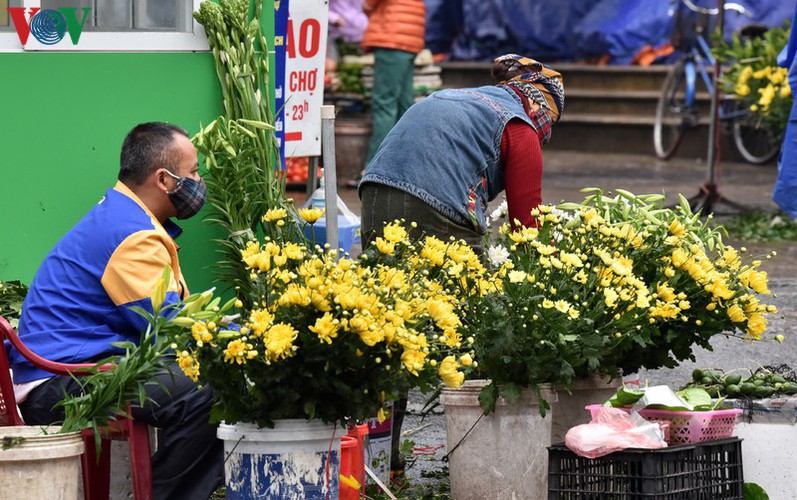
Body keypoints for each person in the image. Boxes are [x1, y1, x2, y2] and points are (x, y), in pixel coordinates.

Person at [358, 53, 564, 479]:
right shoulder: (520, 128)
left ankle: (379, 460)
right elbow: (529, 229)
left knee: (388, 325)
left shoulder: (459, 98)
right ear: (541, 109)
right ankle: (481, 456)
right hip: (435, 206)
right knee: (478, 325)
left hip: (375, 192)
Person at [8, 122, 223, 499]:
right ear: (164, 179)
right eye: (192, 172)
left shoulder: (123, 215)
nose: (197, 180)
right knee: (213, 385)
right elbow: (170, 333)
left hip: (70, 374)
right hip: (61, 386)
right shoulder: (132, 236)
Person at [348, 0, 425, 187]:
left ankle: (374, 168)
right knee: (403, 105)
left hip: (392, 35)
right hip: (409, 34)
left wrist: (366, 6)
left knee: (385, 104)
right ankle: (403, 169)